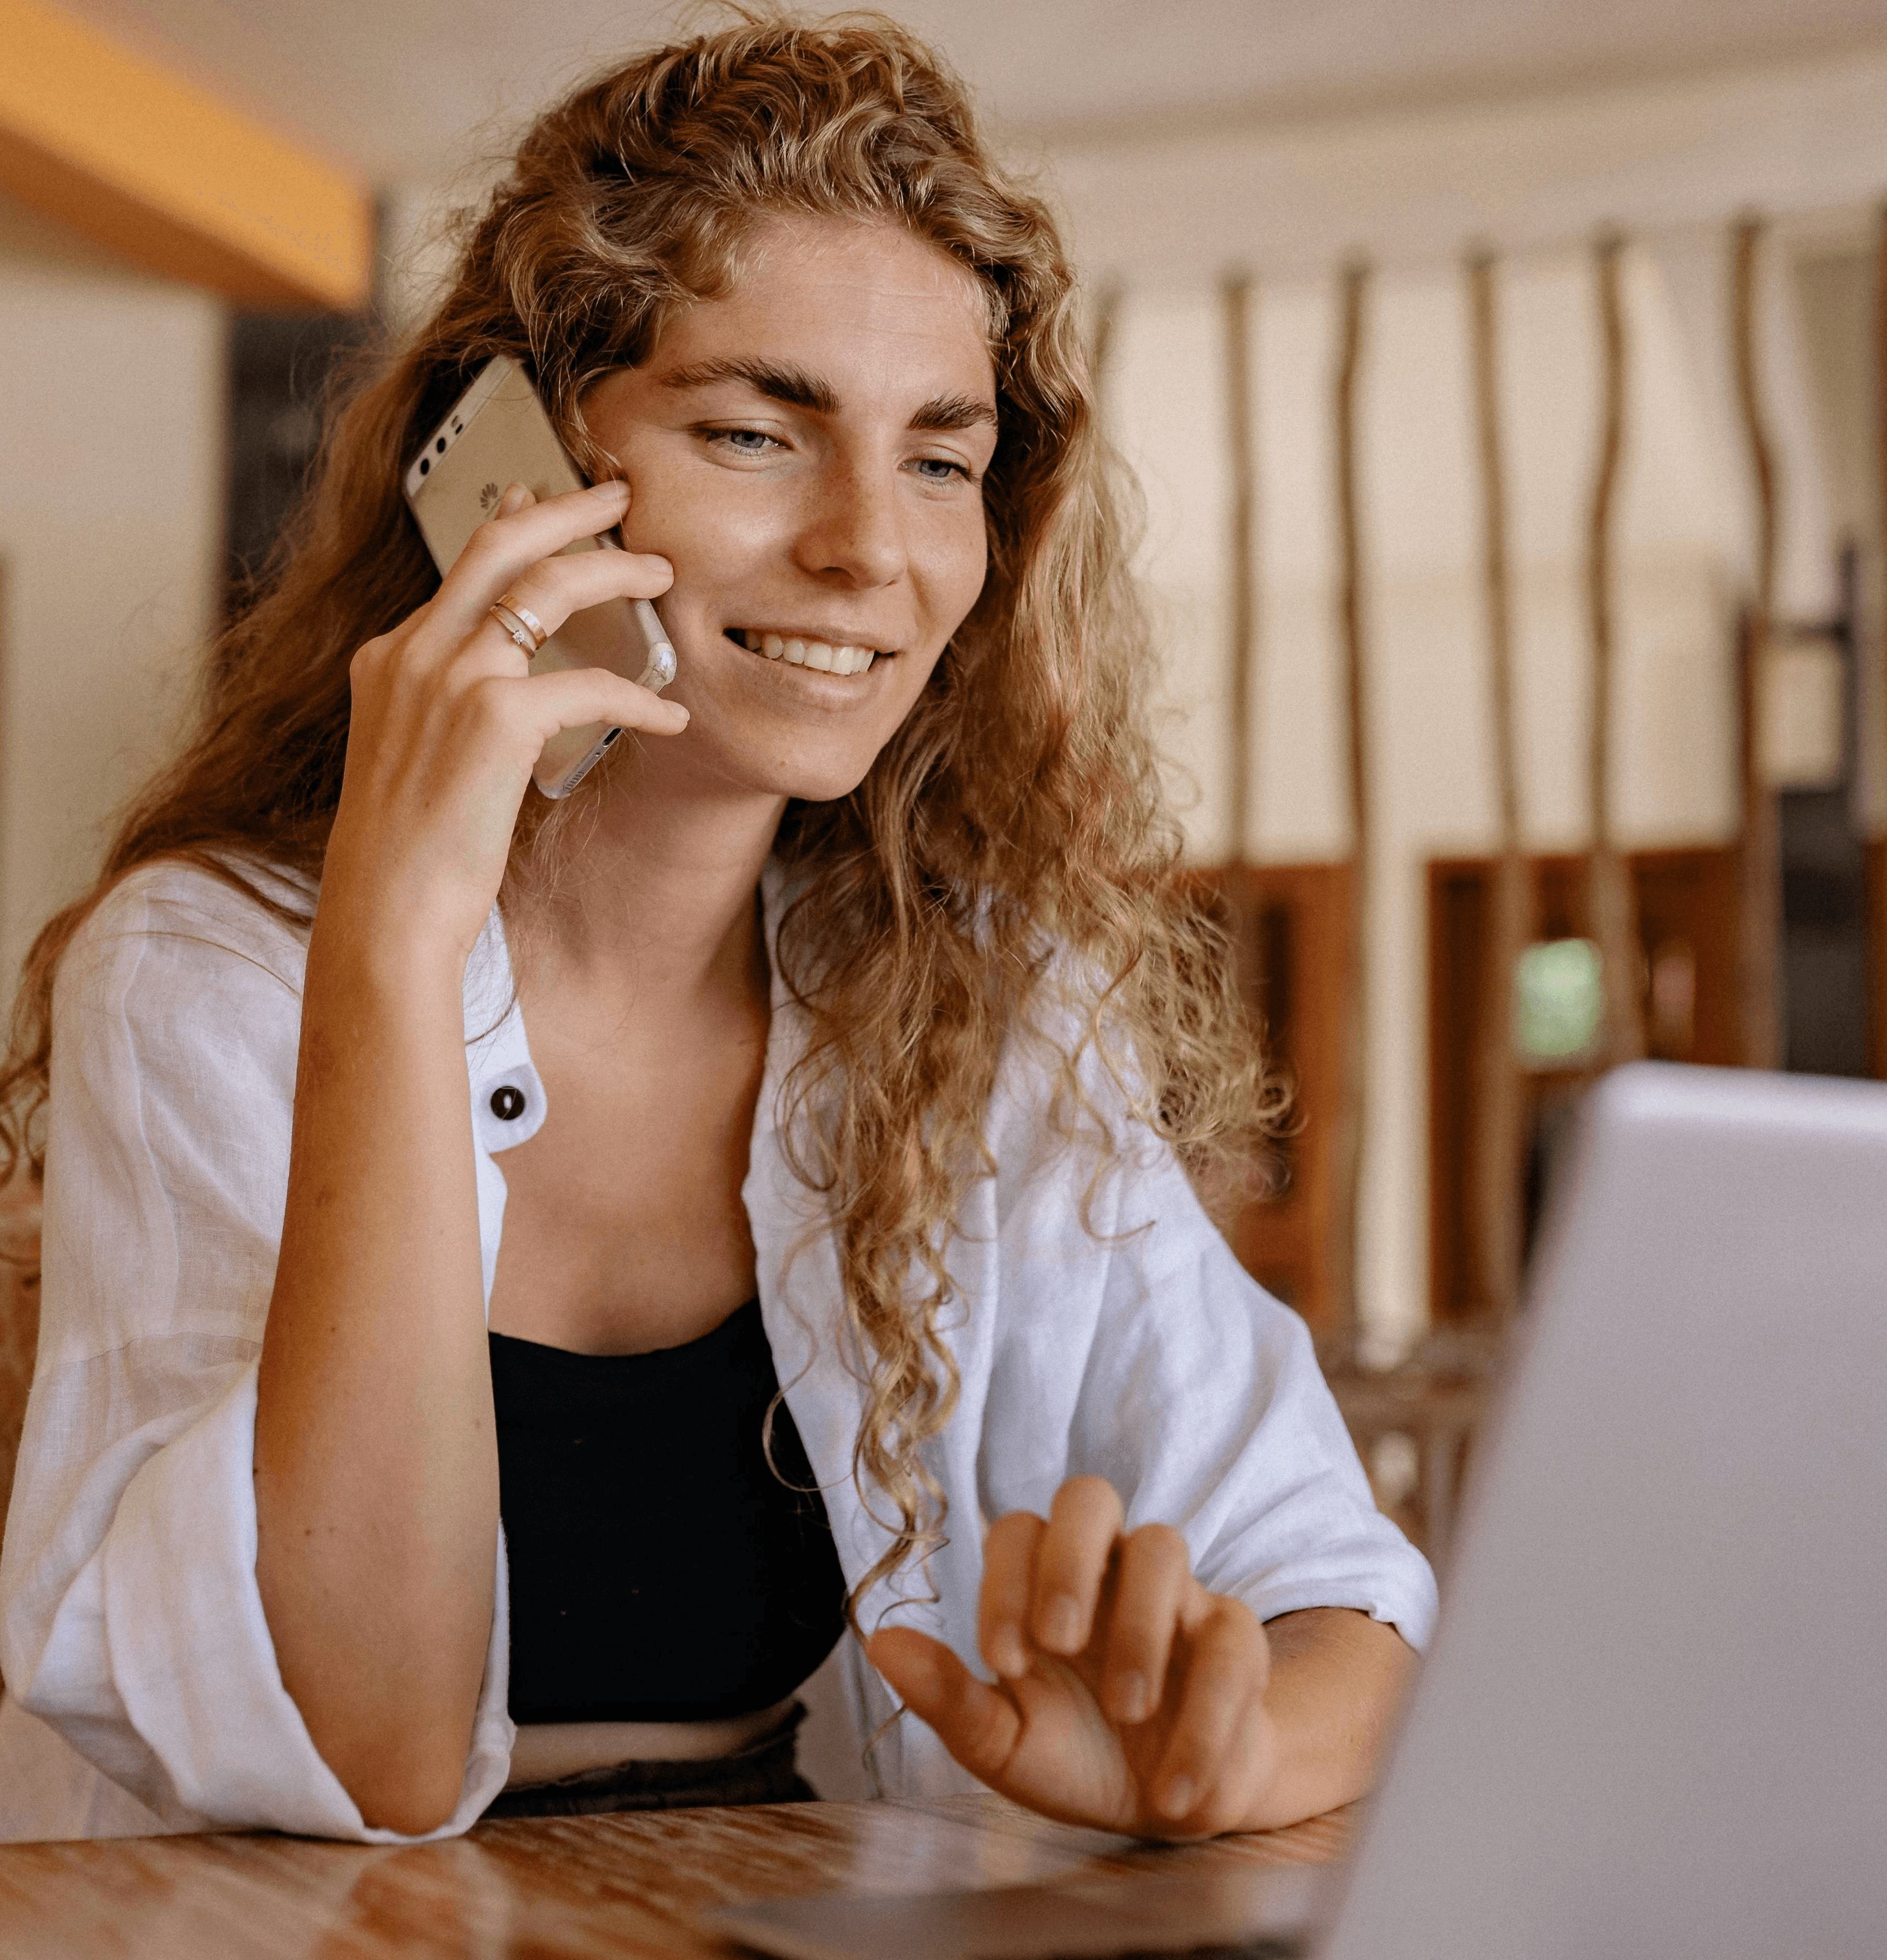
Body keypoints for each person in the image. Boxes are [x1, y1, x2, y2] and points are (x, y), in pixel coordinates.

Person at [0, 15, 1433, 1845]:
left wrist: (1220, 1758)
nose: (868, 548)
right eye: (757, 431)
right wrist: (394, 934)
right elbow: (370, 1742)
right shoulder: (207, 970)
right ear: (508, 468)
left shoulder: (979, 993)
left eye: (940, 457)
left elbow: (1347, 1603)